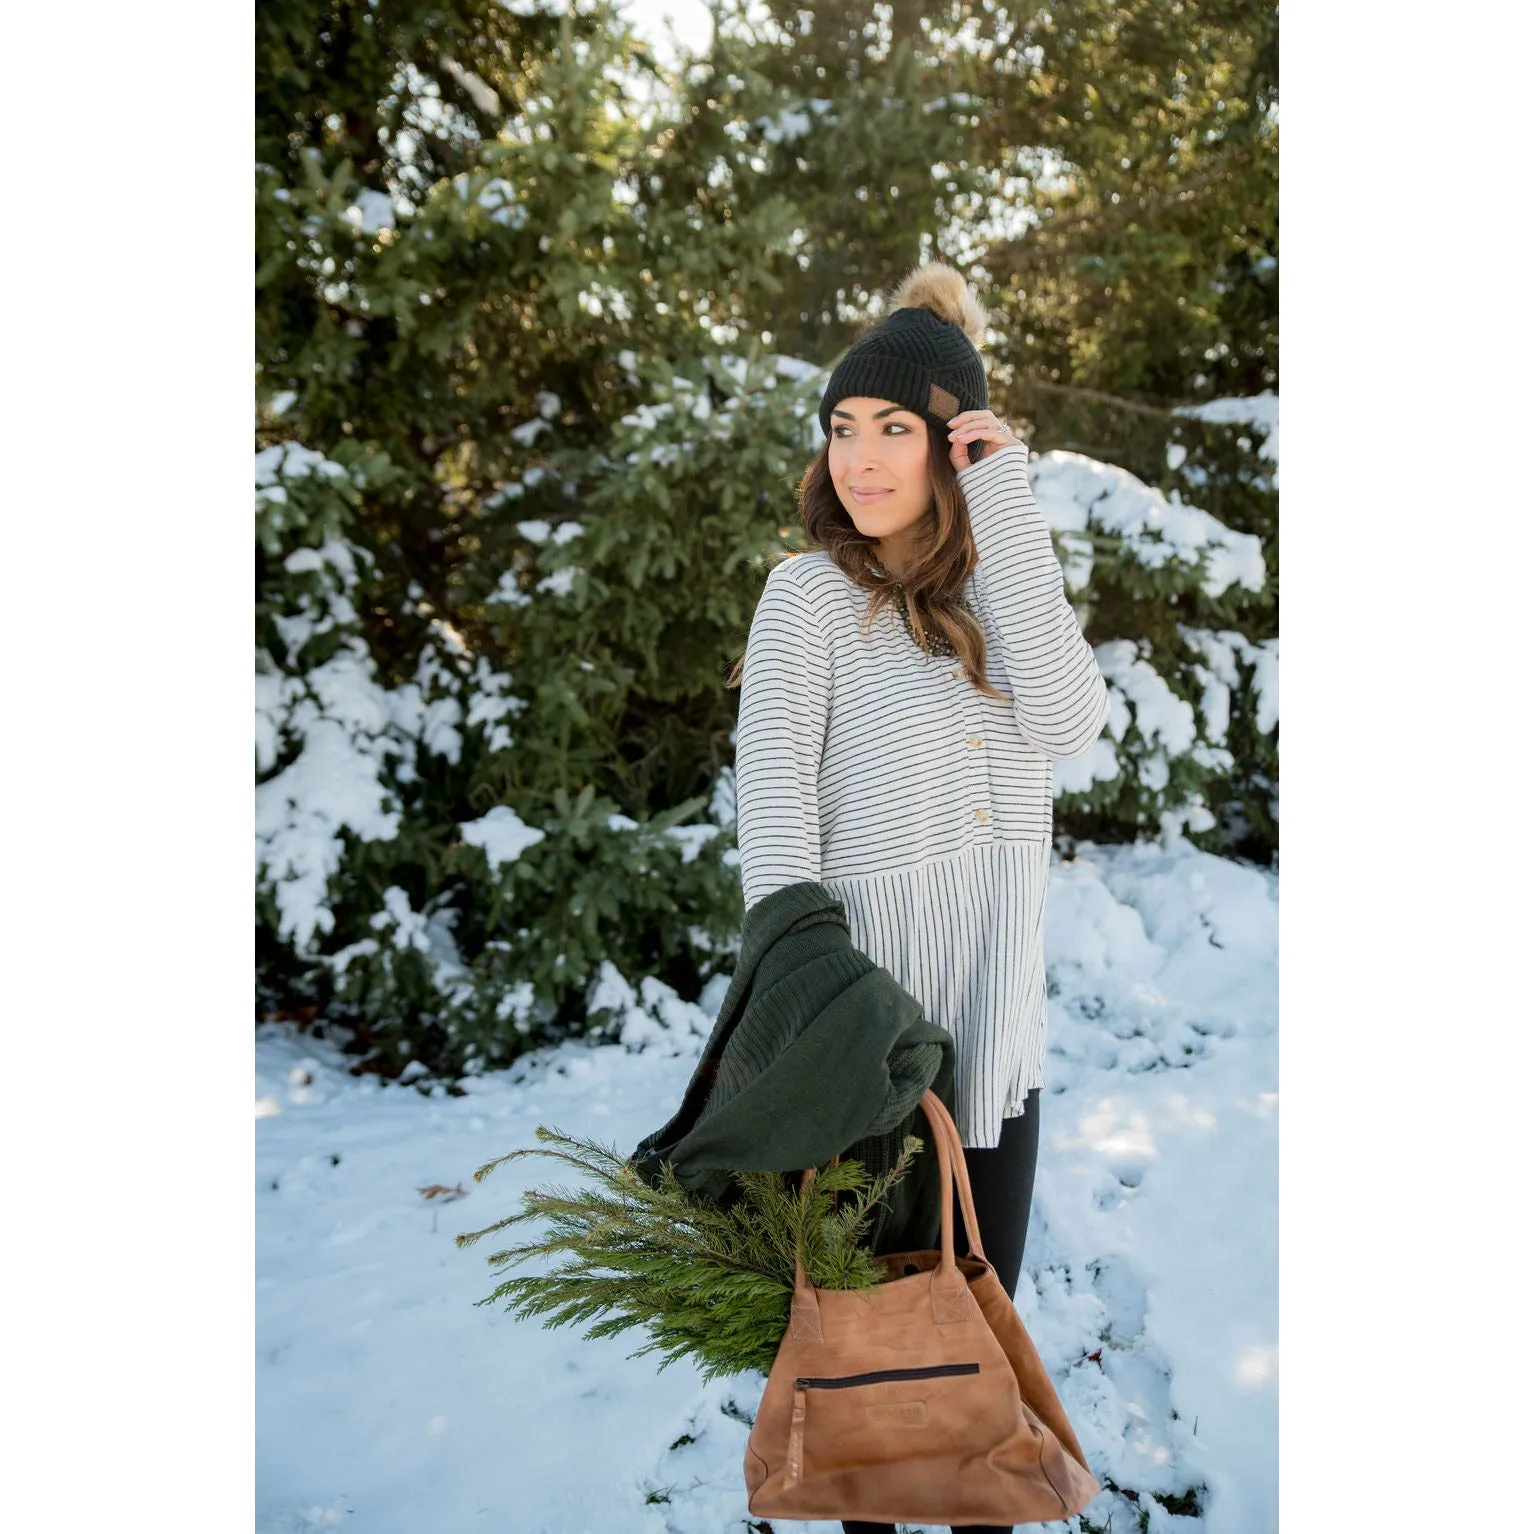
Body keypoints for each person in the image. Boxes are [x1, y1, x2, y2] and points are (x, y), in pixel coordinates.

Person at [726, 260, 1109, 1534]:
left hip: (995, 1046)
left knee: (978, 1367)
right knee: (872, 1383)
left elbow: (1070, 719)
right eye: (844, 427)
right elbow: (773, 821)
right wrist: (823, 1020)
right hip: (865, 1048)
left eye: (895, 429)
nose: (860, 458)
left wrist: (1005, 495)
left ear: (950, 450)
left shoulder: (999, 594)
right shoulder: (808, 599)